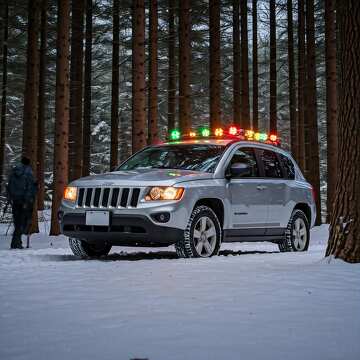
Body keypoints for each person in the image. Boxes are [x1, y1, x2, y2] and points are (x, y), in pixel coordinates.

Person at [7, 156, 37, 249]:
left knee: (17, 221)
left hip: (15, 199)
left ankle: (17, 241)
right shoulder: (28, 172)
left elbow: (9, 185)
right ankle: (16, 243)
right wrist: (29, 198)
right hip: (25, 201)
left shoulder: (14, 171)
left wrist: (10, 198)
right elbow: (30, 188)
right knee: (23, 222)